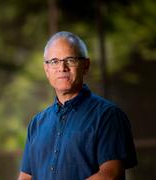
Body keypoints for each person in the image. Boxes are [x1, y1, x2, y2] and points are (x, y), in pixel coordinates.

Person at [18, 31, 137, 180]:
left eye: (70, 60)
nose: (62, 68)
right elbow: (25, 177)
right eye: (54, 61)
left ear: (85, 66)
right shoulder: (37, 124)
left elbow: (111, 175)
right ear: (46, 69)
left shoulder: (108, 116)